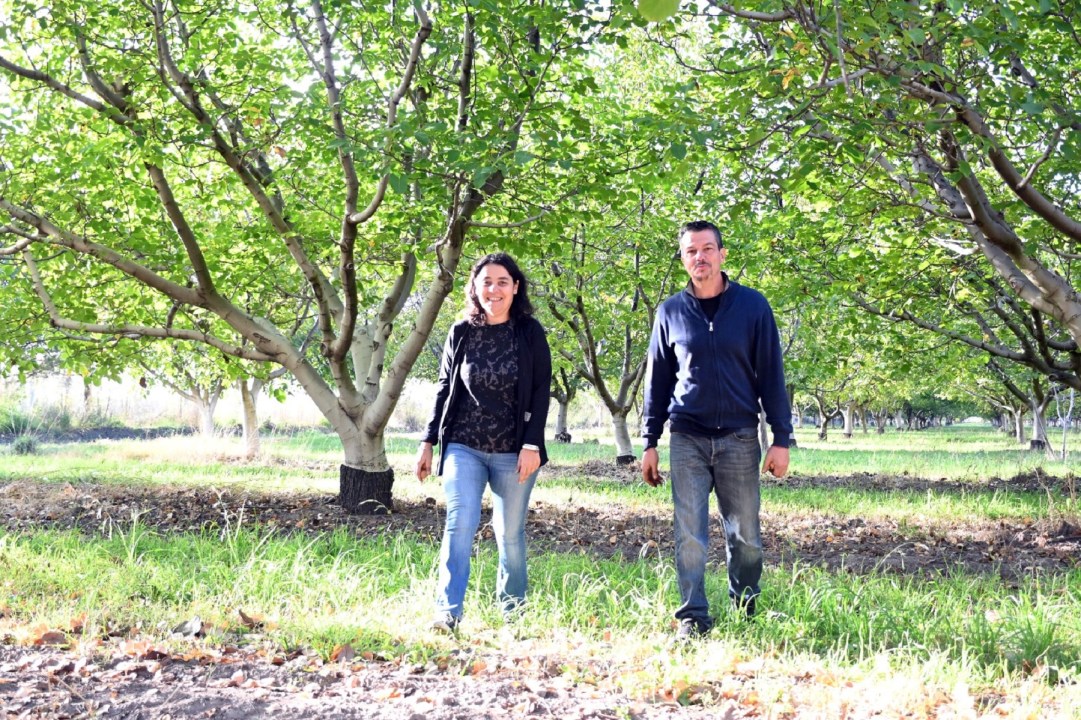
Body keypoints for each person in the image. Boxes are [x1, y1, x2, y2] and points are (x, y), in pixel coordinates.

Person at [641, 220, 792, 639]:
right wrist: (649, 441)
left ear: (723, 254)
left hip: (739, 438)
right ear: (683, 259)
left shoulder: (753, 307)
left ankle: (745, 605)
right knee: (689, 534)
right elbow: (658, 382)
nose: (700, 257)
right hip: (687, 437)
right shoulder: (670, 312)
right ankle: (693, 616)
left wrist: (780, 438)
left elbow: (771, 376)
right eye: (691, 251)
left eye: (708, 248)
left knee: (745, 537)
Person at [416, 252, 552, 633]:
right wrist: (429, 441)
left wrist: (532, 446)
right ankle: (448, 612)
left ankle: (512, 613)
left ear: (515, 288)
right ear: (475, 287)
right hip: (464, 444)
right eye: (486, 282)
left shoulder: (529, 333)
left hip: (514, 451)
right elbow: (445, 389)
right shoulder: (461, 331)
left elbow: (541, 391)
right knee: (460, 523)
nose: (494, 289)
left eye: (502, 282)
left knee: (509, 533)